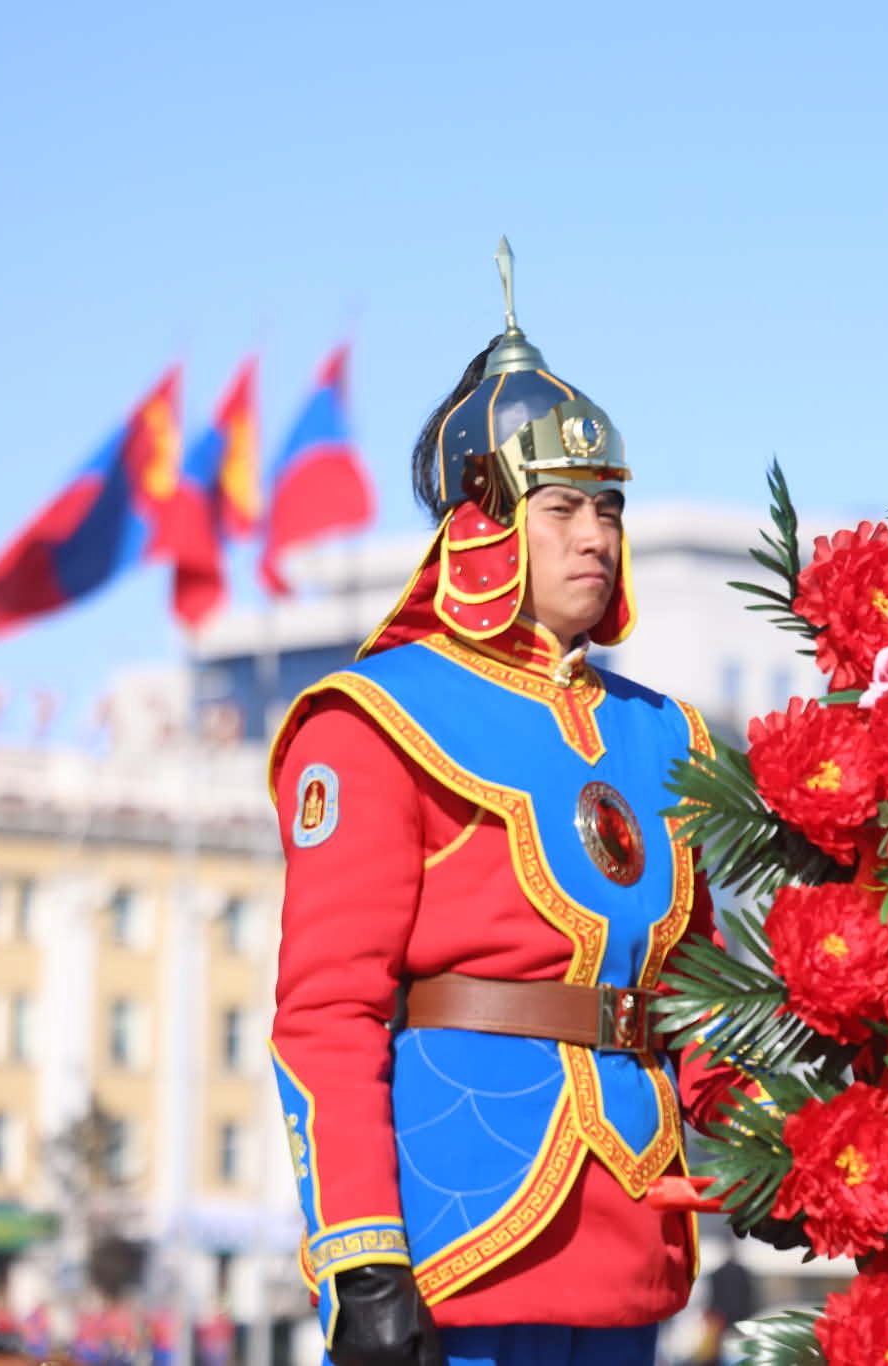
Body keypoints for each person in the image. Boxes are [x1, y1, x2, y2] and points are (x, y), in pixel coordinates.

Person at [268, 241, 740, 1366]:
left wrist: (778, 1146)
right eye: (564, 504)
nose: (596, 534)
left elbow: (704, 996)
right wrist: (361, 1257)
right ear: (480, 524)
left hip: (633, 1233)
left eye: (609, 507)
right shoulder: (375, 716)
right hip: (459, 1234)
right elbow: (324, 1013)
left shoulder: (664, 733)